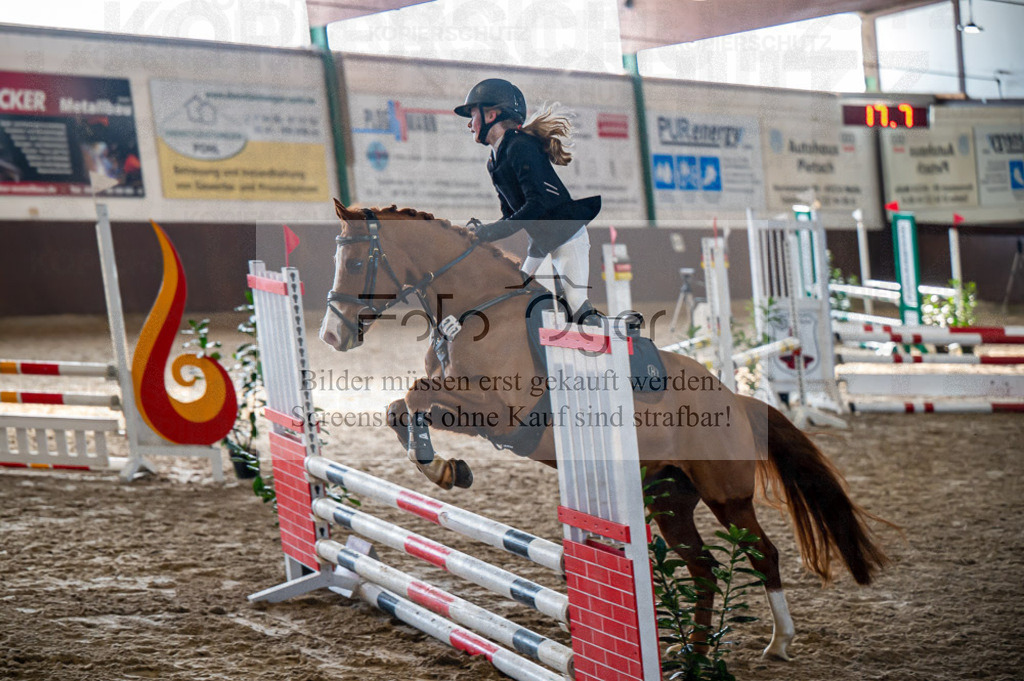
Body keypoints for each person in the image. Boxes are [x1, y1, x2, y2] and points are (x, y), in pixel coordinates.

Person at [454, 78, 602, 323]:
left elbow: (537, 203)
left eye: (473, 115)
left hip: (566, 236)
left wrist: (491, 232)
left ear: (491, 115)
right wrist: (483, 233)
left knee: (576, 304)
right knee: (516, 293)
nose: (470, 124)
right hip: (541, 242)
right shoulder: (494, 161)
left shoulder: (521, 146)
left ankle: (615, 339)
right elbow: (510, 213)